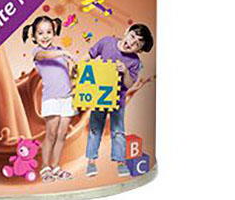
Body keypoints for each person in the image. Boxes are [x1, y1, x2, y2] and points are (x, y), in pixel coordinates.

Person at [84, 23, 154, 178]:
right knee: (95, 128)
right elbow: (89, 55)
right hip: (100, 97)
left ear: (139, 50)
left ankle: (120, 161)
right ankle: (91, 161)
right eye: (132, 36)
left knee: (118, 131)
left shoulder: (134, 62)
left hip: (118, 101)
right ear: (126, 31)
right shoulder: (107, 42)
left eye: (137, 44)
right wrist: (80, 67)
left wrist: (125, 71)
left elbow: (129, 85)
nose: (131, 42)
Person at [23, 15, 75, 182]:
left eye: (48, 32)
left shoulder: (60, 51)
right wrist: (64, 53)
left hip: (67, 97)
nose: (45, 36)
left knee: (62, 134)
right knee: (51, 134)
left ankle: (56, 166)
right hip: (51, 98)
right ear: (34, 36)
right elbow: (45, 56)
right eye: (40, 33)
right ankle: (45, 167)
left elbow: (67, 74)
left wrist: (73, 72)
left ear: (53, 33)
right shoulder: (38, 52)